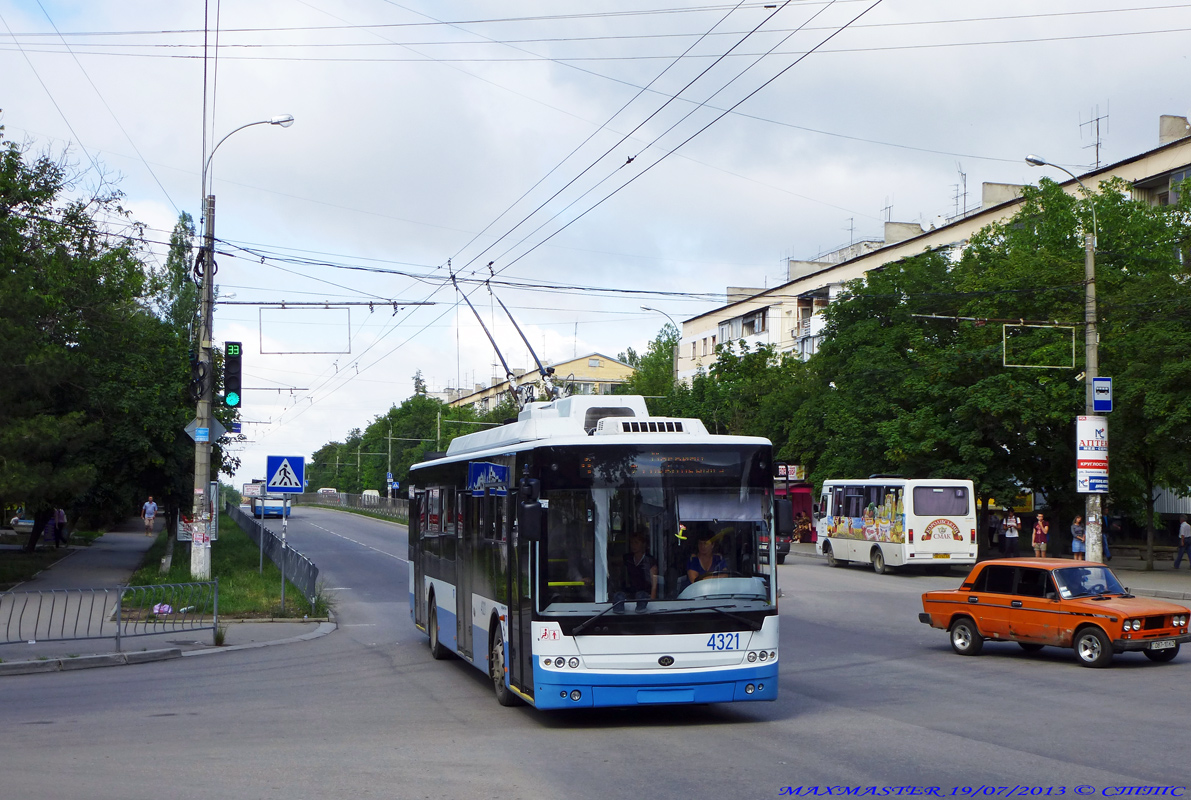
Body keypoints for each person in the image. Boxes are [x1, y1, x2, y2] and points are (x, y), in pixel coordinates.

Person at [622, 532, 658, 600]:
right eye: (631, 543)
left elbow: (654, 585)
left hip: (645, 596)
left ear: (643, 544)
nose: (633, 545)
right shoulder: (628, 558)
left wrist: (652, 600)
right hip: (631, 595)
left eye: (636, 542)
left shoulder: (650, 561)